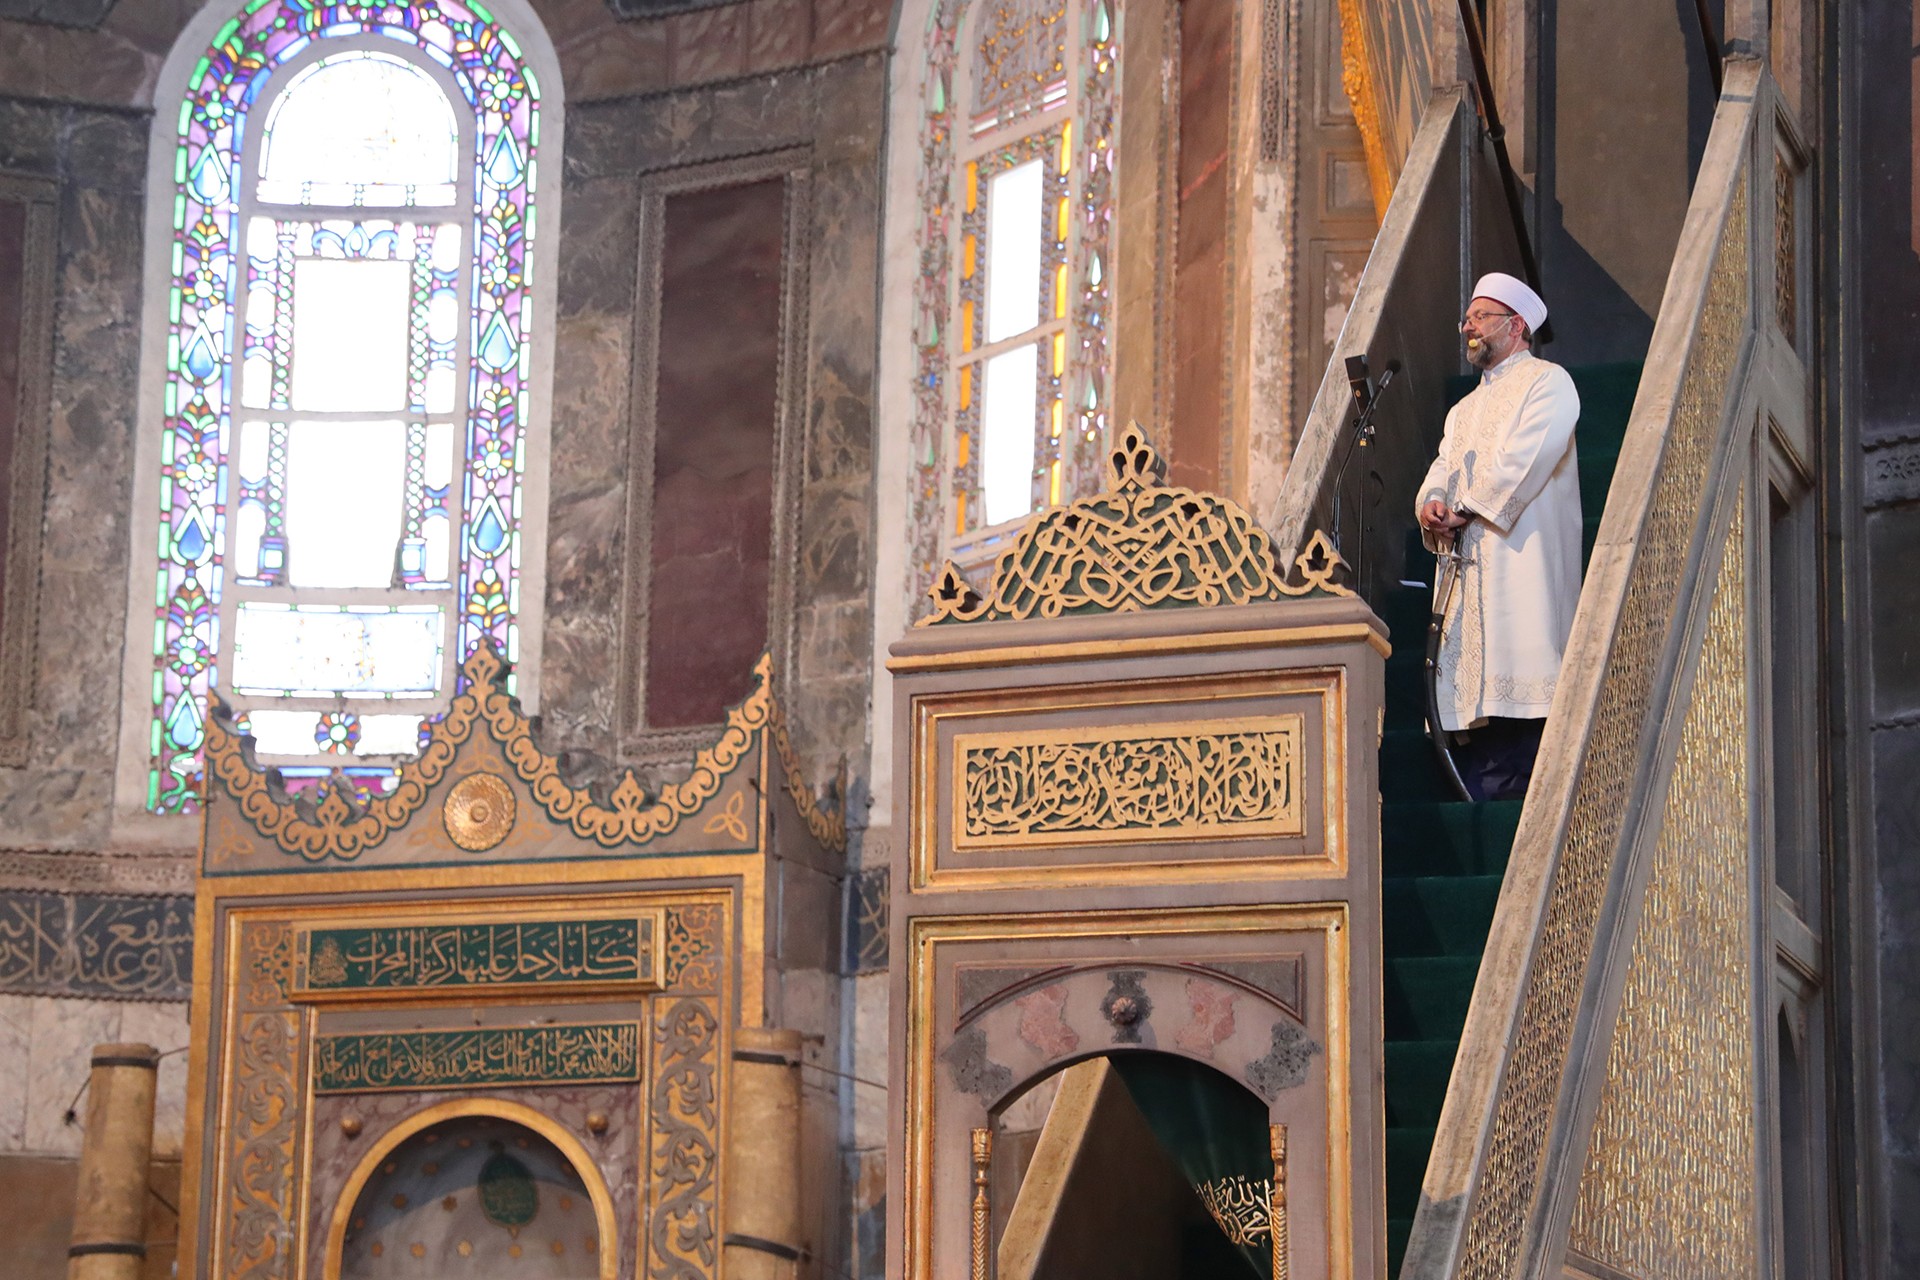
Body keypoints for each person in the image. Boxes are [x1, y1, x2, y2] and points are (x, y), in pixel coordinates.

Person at [1415, 272, 1582, 802]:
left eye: (1480, 317)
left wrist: (1467, 508)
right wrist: (1432, 505)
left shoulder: (1548, 382)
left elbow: (1527, 457)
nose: (1468, 327)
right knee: (1476, 704)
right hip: (1466, 565)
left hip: (1520, 560)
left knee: (1523, 683)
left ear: (1516, 326)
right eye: (1466, 318)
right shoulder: (1462, 410)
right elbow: (1443, 465)